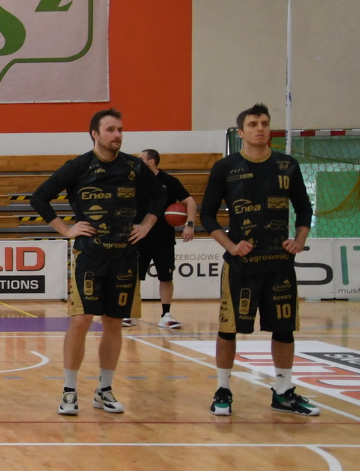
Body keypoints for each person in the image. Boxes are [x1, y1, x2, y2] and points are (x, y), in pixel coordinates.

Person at [30, 108, 162, 416]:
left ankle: (104, 390)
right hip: (89, 256)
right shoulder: (78, 166)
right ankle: (69, 391)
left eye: (120, 129)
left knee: (114, 323)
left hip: (125, 257)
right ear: (95, 134)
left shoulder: (134, 166)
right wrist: (66, 229)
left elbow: (159, 195)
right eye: (111, 130)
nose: (117, 135)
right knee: (81, 320)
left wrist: (147, 225)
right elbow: (39, 197)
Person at [200, 103, 319, 417]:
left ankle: (283, 391)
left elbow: (304, 209)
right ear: (241, 132)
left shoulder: (287, 165)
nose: (260, 128)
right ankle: (223, 389)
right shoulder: (225, 168)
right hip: (241, 266)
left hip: (280, 264)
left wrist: (300, 239)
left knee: (284, 330)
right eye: (253, 124)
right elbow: (207, 214)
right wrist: (230, 244)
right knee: (228, 330)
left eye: (264, 123)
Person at [134, 148, 196, 329]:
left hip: (163, 238)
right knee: (132, 277)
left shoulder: (169, 181)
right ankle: (128, 313)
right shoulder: (134, 181)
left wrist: (190, 224)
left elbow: (190, 202)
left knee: (166, 277)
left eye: (141, 158)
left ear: (151, 161)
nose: (138, 161)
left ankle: (166, 315)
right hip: (138, 236)